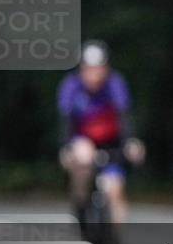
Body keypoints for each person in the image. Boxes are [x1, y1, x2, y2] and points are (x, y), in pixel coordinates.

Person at [57, 40, 145, 227]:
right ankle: (81, 208)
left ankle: (115, 239)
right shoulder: (71, 85)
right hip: (82, 141)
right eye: (89, 69)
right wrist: (65, 147)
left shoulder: (114, 83)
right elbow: (65, 120)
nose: (94, 75)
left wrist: (131, 142)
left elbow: (124, 115)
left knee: (115, 189)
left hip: (110, 143)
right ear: (81, 69)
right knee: (83, 159)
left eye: (98, 69)